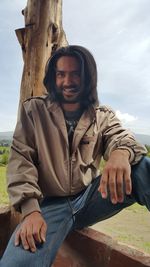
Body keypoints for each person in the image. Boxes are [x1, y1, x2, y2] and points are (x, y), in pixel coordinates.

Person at [1, 45, 150, 267]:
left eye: (75, 74)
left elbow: (121, 136)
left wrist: (121, 153)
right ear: (53, 77)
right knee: (17, 263)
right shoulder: (34, 111)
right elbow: (22, 161)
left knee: (142, 168)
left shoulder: (103, 116)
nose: (67, 81)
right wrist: (31, 210)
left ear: (87, 77)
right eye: (61, 74)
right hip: (48, 207)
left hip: (93, 197)